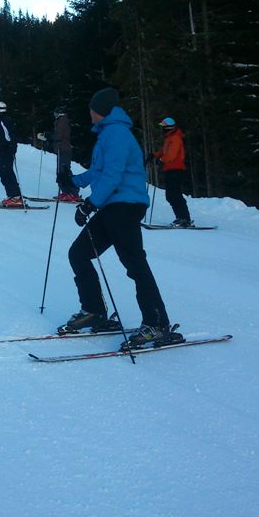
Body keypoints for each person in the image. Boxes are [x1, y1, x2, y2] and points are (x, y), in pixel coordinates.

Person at [57, 87, 183, 349]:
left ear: (100, 111)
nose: (90, 114)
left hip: (125, 205)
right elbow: (99, 171)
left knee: (134, 263)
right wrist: (73, 181)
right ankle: (94, 310)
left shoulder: (116, 134)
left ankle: (157, 324)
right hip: (112, 206)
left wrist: (90, 204)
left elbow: (113, 175)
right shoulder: (107, 134)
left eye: (92, 110)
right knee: (79, 253)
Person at [150, 117, 193, 227]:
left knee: (174, 194)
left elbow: (171, 155)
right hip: (170, 170)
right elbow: (164, 151)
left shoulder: (175, 139)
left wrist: (161, 160)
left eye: (163, 127)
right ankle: (181, 218)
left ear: (168, 127)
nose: (162, 129)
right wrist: (155, 155)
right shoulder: (169, 138)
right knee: (171, 195)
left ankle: (184, 219)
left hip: (176, 170)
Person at [38, 107, 81, 202]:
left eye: (55, 113)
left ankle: (72, 192)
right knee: (61, 171)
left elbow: (58, 135)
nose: (55, 115)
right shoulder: (61, 121)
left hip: (64, 149)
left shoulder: (62, 121)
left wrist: (47, 135)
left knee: (64, 171)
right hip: (61, 149)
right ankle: (66, 191)